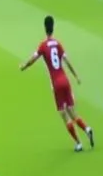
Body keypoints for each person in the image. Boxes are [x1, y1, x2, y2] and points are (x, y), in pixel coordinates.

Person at [20, 15, 95, 152]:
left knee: (63, 114)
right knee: (73, 112)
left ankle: (78, 143)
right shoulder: (58, 44)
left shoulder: (43, 45)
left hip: (56, 83)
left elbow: (33, 59)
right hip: (65, 80)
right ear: (53, 28)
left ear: (45, 28)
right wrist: (76, 76)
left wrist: (24, 66)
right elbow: (67, 61)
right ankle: (87, 129)